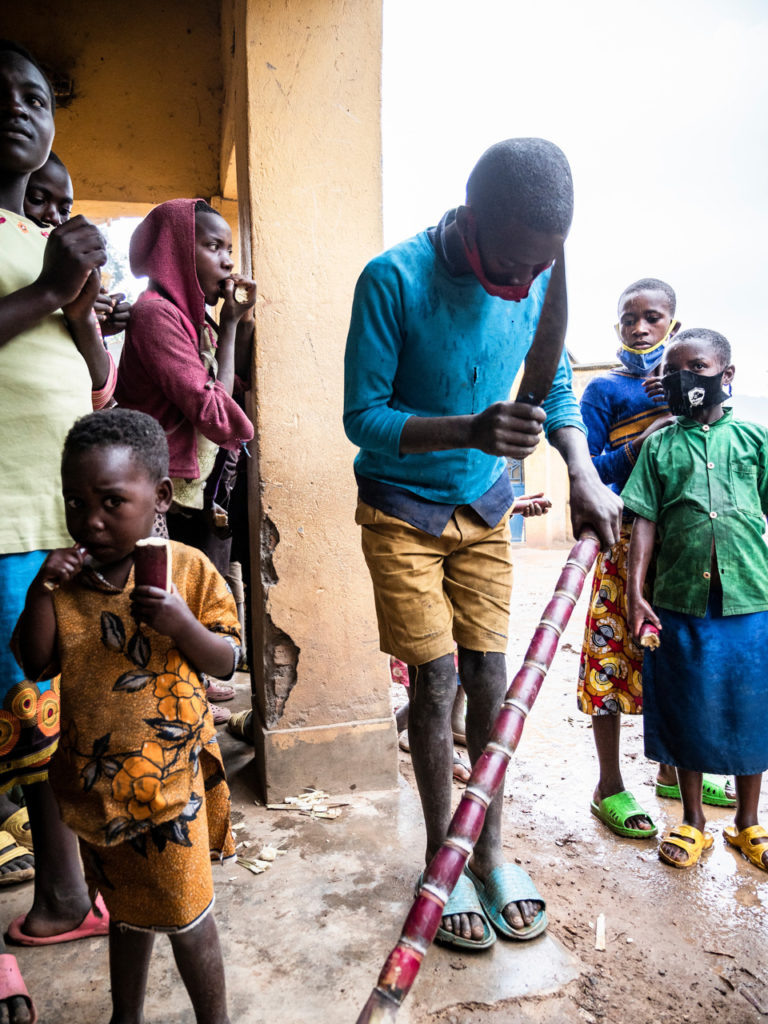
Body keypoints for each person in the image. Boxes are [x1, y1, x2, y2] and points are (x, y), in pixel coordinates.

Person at [344, 138, 621, 951]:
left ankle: (490, 854)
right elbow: (363, 418)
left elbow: (555, 384)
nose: (524, 281)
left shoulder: (536, 274)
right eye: (510, 262)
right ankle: (445, 859)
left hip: (486, 506)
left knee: (490, 680)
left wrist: (582, 471)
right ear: (472, 219)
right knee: (434, 687)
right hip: (402, 511)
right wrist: (467, 429)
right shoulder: (393, 279)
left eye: (542, 266)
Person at [15, 408, 238, 1023]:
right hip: (96, 787)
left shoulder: (187, 569)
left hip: (170, 786)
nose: (91, 520)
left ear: (160, 496)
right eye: (76, 503)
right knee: (126, 912)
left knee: (187, 915)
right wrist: (40, 591)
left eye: (112, 502)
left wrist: (181, 623)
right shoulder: (66, 584)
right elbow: (34, 663)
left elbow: (226, 659)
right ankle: (125, 1016)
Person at [0, 38, 113, 1024]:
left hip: (54, 516)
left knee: (44, 717)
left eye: (34, 96)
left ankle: (66, 895)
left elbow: (96, 369)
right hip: (1, 515)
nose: (19, 108)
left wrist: (76, 299)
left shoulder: (39, 234)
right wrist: (42, 289)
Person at [577, 280, 738, 840]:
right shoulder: (605, 390)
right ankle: (609, 784)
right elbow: (588, 471)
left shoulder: (692, 385)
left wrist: (680, 396)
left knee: (677, 659)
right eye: (629, 319)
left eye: (653, 318)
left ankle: (674, 771)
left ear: (674, 324)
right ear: (617, 326)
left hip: (685, 550)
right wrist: (641, 438)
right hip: (625, 543)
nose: (640, 328)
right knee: (612, 656)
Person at [624, 329, 768, 870]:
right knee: (688, 707)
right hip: (679, 601)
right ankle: (693, 821)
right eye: (674, 372)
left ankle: (748, 823)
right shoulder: (659, 446)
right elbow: (644, 521)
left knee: (751, 708)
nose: (685, 380)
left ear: (726, 375)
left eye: (698, 368)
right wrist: (635, 594)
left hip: (750, 599)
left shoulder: (754, 439)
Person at [115, 198, 256, 721]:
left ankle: (190, 685)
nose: (227, 260)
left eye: (229, 248)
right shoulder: (155, 314)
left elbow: (224, 389)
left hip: (193, 484)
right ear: (176, 250)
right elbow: (213, 410)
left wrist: (231, 324)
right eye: (214, 246)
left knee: (194, 590)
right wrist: (241, 423)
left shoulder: (198, 322)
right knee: (161, 594)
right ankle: (172, 702)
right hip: (157, 481)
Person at [24, 151, 132, 342]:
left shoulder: (66, 266)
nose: (54, 217)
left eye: (64, 211)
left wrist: (92, 322)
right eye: (37, 199)